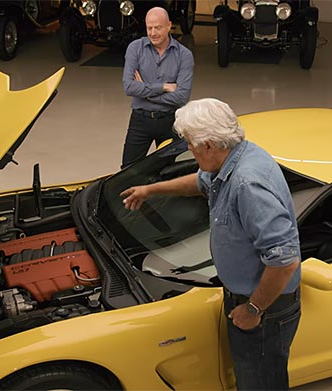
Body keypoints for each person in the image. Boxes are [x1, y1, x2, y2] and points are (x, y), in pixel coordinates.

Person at [121, 98, 301, 390]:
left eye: (190, 143)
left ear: (208, 145)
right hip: (247, 296)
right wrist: (150, 189)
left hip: (264, 306)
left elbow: (285, 259)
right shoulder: (234, 157)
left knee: (260, 380)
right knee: (249, 373)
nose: (189, 149)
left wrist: (253, 310)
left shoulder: (248, 184)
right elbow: (201, 182)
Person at [121, 6, 194, 169]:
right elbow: (128, 87)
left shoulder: (184, 55)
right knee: (128, 170)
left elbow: (182, 97)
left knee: (172, 170)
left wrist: (145, 92)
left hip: (172, 121)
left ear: (169, 26)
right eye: (149, 28)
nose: (153, 33)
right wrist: (164, 87)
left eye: (158, 28)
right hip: (140, 120)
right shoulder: (135, 48)